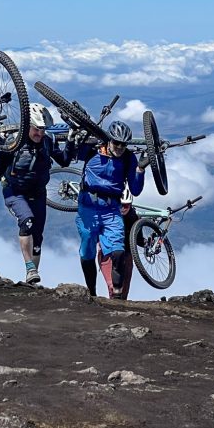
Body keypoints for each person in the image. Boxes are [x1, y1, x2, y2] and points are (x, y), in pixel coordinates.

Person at [0, 103, 73, 285]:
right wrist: (2, 148)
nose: (40, 134)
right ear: (27, 125)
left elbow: (64, 160)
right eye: (36, 129)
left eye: (43, 129)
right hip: (15, 192)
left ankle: (31, 281)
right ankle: (30, 268)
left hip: (38, 194)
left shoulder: (47, 141)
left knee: (37, 238)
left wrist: (72, 141)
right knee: (27, 222)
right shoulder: (13, 142)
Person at [70, 120, 149, 297]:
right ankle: (91, 292)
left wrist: (140, 170)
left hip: (111, 209)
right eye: (116, 143)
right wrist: (76, 139)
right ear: (109, 140)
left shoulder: (128, 158)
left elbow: (135, 189)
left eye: (124, 144)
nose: (120, 147)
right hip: (88, 208)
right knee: (87, 251)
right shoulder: (92, 151)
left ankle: (118, 295)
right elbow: (69, 155)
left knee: (118, 251)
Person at [97, 188, 140, 300]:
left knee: (124, 291)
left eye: (126, 205)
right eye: (121, 205)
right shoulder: (107, 215)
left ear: (130, 205)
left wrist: (148, 243)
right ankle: (112, 306)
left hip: (127, 256)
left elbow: (139, 240)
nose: (123, 208)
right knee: (112, 287)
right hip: (108, 254)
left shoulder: (134, 218)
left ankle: (118, 307)